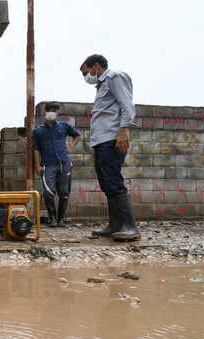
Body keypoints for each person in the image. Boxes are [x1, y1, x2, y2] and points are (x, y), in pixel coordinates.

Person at [80, 54, 139, 241]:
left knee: (113, 180)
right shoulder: (101, 86)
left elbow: (126, 104)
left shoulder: (114, 77)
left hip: (112, 139)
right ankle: (115, 225)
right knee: (106, 183)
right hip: (101, 142)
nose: (86, 77)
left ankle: (130, 226)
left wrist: (124, 130)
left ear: (96, 66)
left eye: (86, 72)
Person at [33, 101, 82, 227]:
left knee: (64, 192)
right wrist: (37, 165)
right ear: (45, 112)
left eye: (54, 111)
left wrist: (70, 146)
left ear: (57, 112)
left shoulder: (64, 126)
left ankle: (61, 219)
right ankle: (52, 218)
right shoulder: (38, 131)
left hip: (64, 162)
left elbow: (78, 136)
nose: (51, 113)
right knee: (48, 192)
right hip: (48, 164)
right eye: (49, 110)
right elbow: (36, 149)